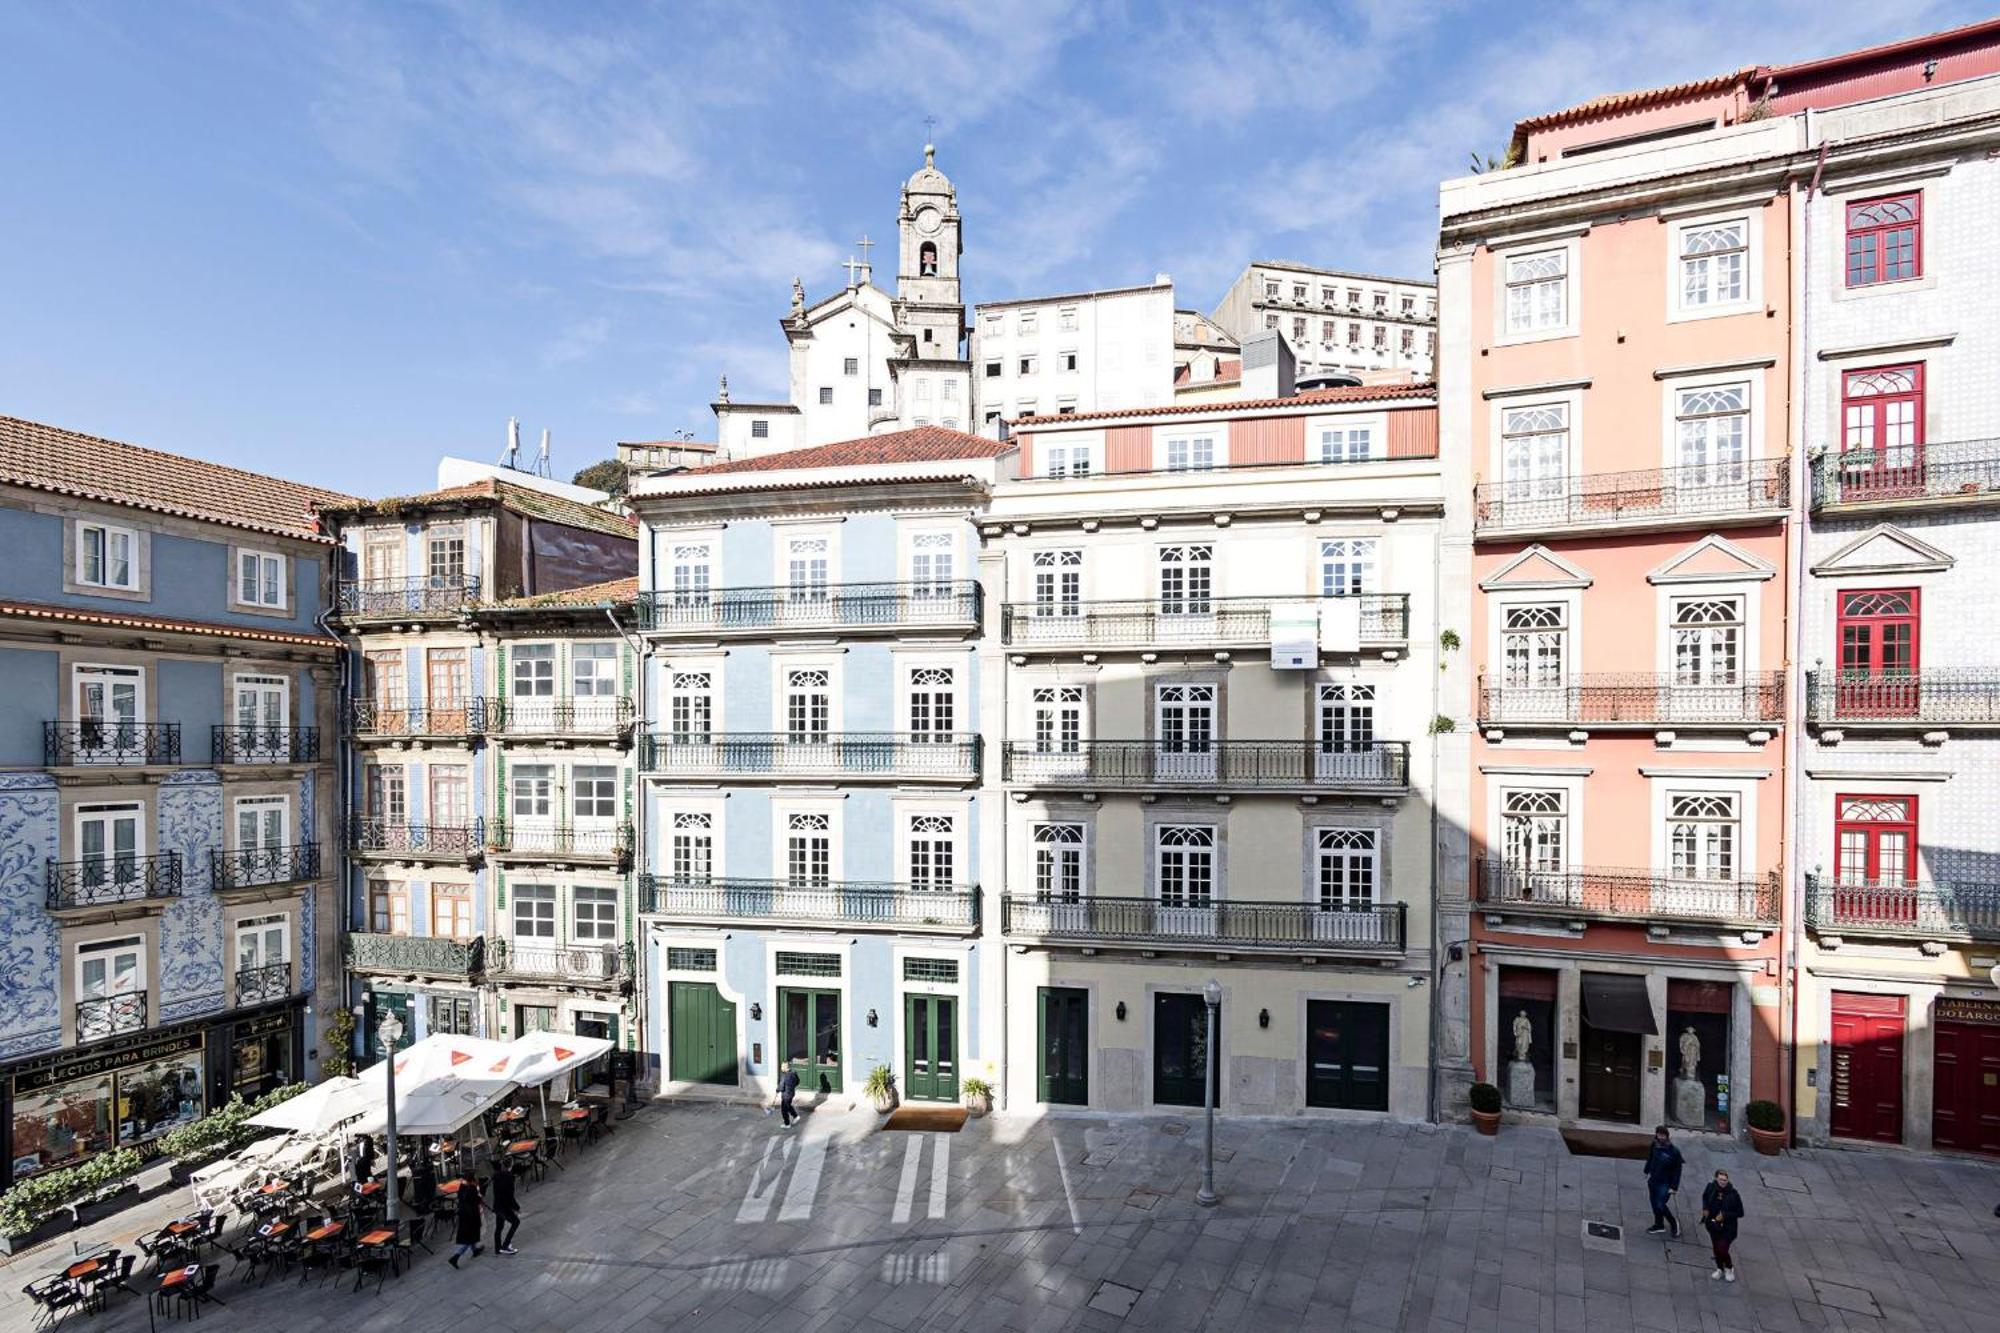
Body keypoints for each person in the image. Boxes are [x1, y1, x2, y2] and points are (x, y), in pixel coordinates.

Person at [1701, 1169, 1745, 1281]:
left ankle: (1729, 1268)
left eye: (1725, 1180)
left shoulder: (1733, 1194)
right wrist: (1705, 1208)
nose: (1723, 1182)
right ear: (1716, 1178)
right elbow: (1705, 1197)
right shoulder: (1711, 1187)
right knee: (1716, 1248)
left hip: (1728, 1228)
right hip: (1713, 1224)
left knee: (1722, 1249)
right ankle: (1720, 1268)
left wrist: (1724, 1215)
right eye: (1720, 1179)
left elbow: (1740, 1212)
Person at [1642, 1124, 1683, 1237]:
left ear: (1667, 1136)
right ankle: (1659, 1224)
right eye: (1658, 1135)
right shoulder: (1654, 1145)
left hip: (1665, 1183)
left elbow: (1677, 1170)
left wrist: (1674, 1187)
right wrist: (1646, 1171)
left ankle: (1673, 1223)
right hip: (1653, 1180)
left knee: (1660, 1204)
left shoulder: (1674, 1152)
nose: (1660, 1137)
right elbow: (1650, 1158)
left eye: (1662, 1135)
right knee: (1654, 1204)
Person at [447, 1170, 488, 1268]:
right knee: (470, 1237)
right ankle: (456, 1256)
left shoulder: (461, 1187)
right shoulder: (473, 1189)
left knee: (470, 1235)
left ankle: (475, 1250)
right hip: (472, 1215)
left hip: (463, 1214)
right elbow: (477, 1200)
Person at [491, 1157, 521, 1256]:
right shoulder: (510, 1177)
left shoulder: (496, 1176)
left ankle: (497, 1247)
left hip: (497, 1205)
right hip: (505, 1207)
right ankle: (505, 1245)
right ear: (511, 1166)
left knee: (499, 1226)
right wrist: (516, 1207)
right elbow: (510, 1195)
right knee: (516, 1222)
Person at [777, 1061, 801, 1130]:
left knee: (784, 1110)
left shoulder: (784, 1076)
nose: (781, 1068)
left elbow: (781, 1087)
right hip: (791, 1093)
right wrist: (792, 1086)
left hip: (786, 1095)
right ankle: (795, 1116)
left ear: (785, 1067)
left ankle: (787, 1124)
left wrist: (777, 1090)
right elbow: (798, 1081)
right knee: (788, 1105)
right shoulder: (793, 1073)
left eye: (782, 1066)